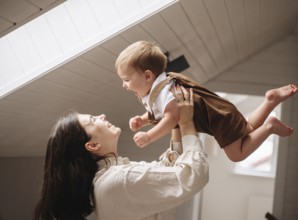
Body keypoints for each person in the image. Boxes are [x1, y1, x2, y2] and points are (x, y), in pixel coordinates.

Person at [34, 86, 209, 220]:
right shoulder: (119, 179)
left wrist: (176, 123)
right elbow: (193, 176)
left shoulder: (113, 175)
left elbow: (166, 170)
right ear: (93, 145)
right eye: (93, 120)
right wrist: (186, 124)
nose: (101, 115)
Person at [115, 40, 298, 162]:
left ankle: (270, 127)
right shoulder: (159, 88)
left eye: (126, 80)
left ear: (148, 76)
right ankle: (270, 101)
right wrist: (142, 120)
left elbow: (170, 118)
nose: (124, 85)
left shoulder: (165, 92)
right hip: (222, 113)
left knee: (237, 155)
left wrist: (149, 136)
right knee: (247, 129)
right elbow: (161, 112)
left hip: (218, 119)